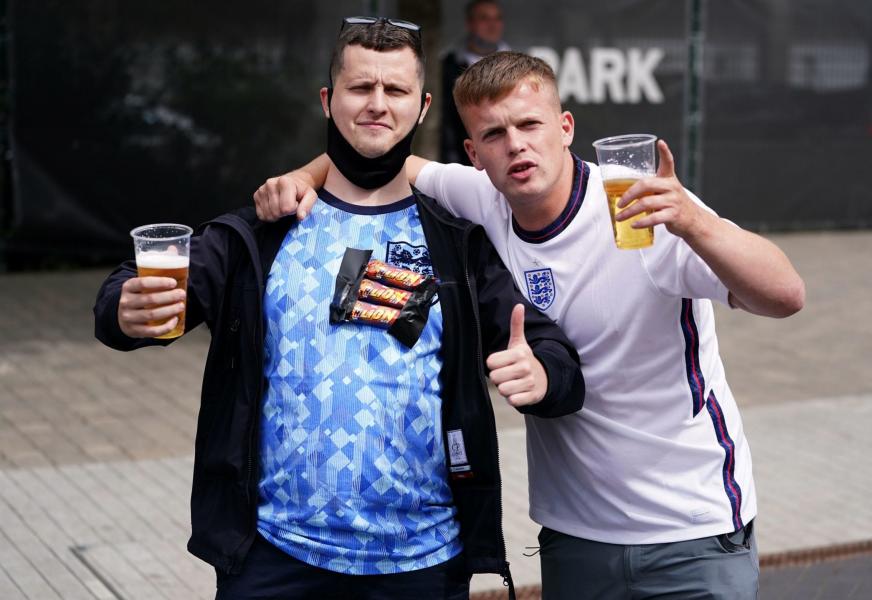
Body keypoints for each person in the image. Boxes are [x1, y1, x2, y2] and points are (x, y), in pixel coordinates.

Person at [255, 51, 806, 599]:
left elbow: (785, 296)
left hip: (693, 531)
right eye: (493, 134)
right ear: (474, 153)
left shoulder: (643, 209)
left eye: (529, 124)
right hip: (575, 535)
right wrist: (300, 177)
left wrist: (693, 221)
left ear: (565, 128)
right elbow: (374, 154)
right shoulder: (482, 199)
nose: (515, 144)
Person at [95, 27, 584, 600]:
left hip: (422, 561)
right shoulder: (264, 229)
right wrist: (125, 309)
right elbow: (135, 292)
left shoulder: (458, 240)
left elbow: (554, 355)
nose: (378, 103)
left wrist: (543, 374)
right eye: (360, 87)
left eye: (396, 90)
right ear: (328, 100)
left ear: (421, 107)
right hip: (272, 558)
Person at [440, 0, 508, 165]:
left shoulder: (520, 65)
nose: (492, 25)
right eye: (484, 18)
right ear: (470, 24)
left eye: (497, 18)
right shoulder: (447, 67)